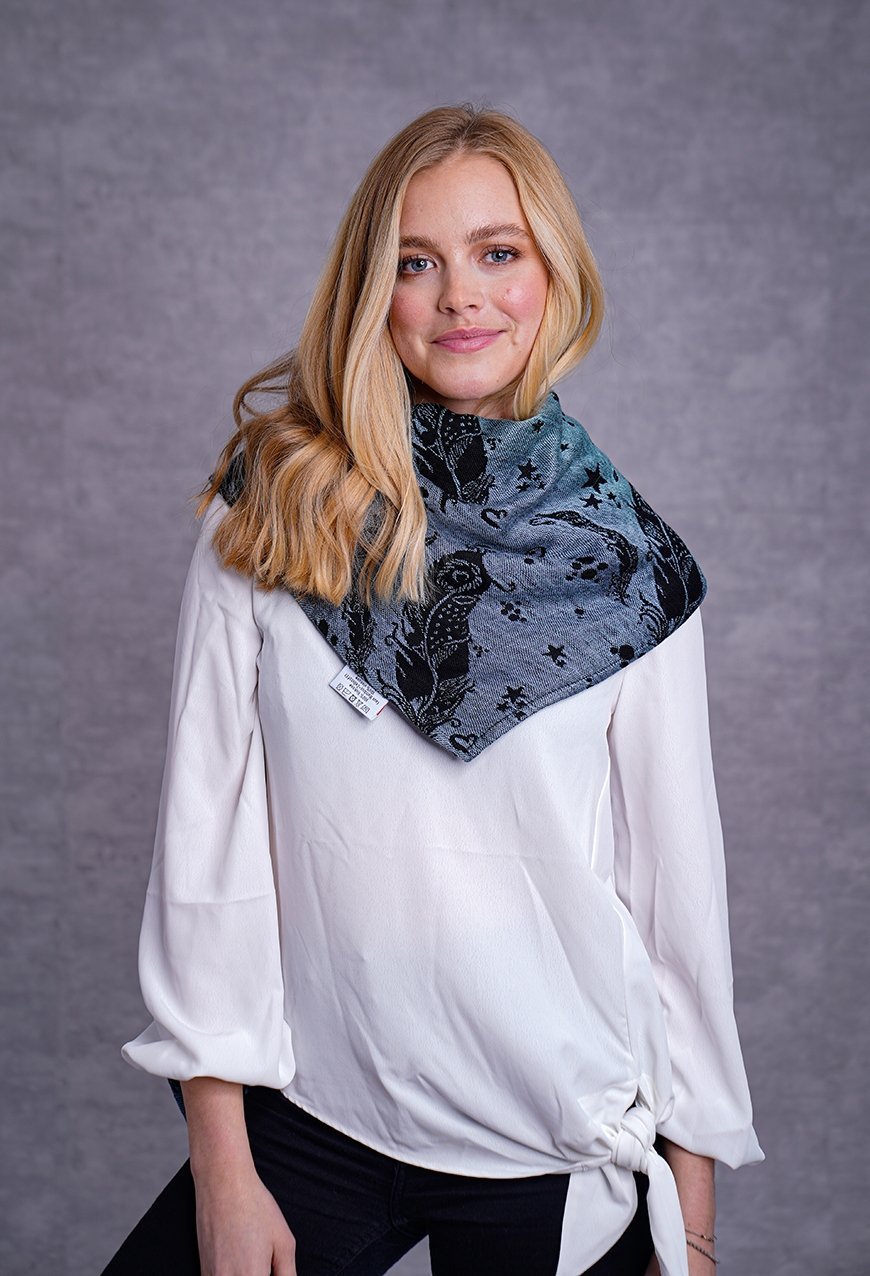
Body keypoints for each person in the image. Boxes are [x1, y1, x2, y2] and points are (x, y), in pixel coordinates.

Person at [101, 102, 763, 1276]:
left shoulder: (633, 570)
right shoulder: (274, 512)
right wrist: (223, 1167)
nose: (462, 297)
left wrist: (694, 1229)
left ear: (553, 274)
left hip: (560, 1146)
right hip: (315, 1117)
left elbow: (676, 906)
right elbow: (208, 856)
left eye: (498, 252)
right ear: (374, 291)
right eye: (416, 262)